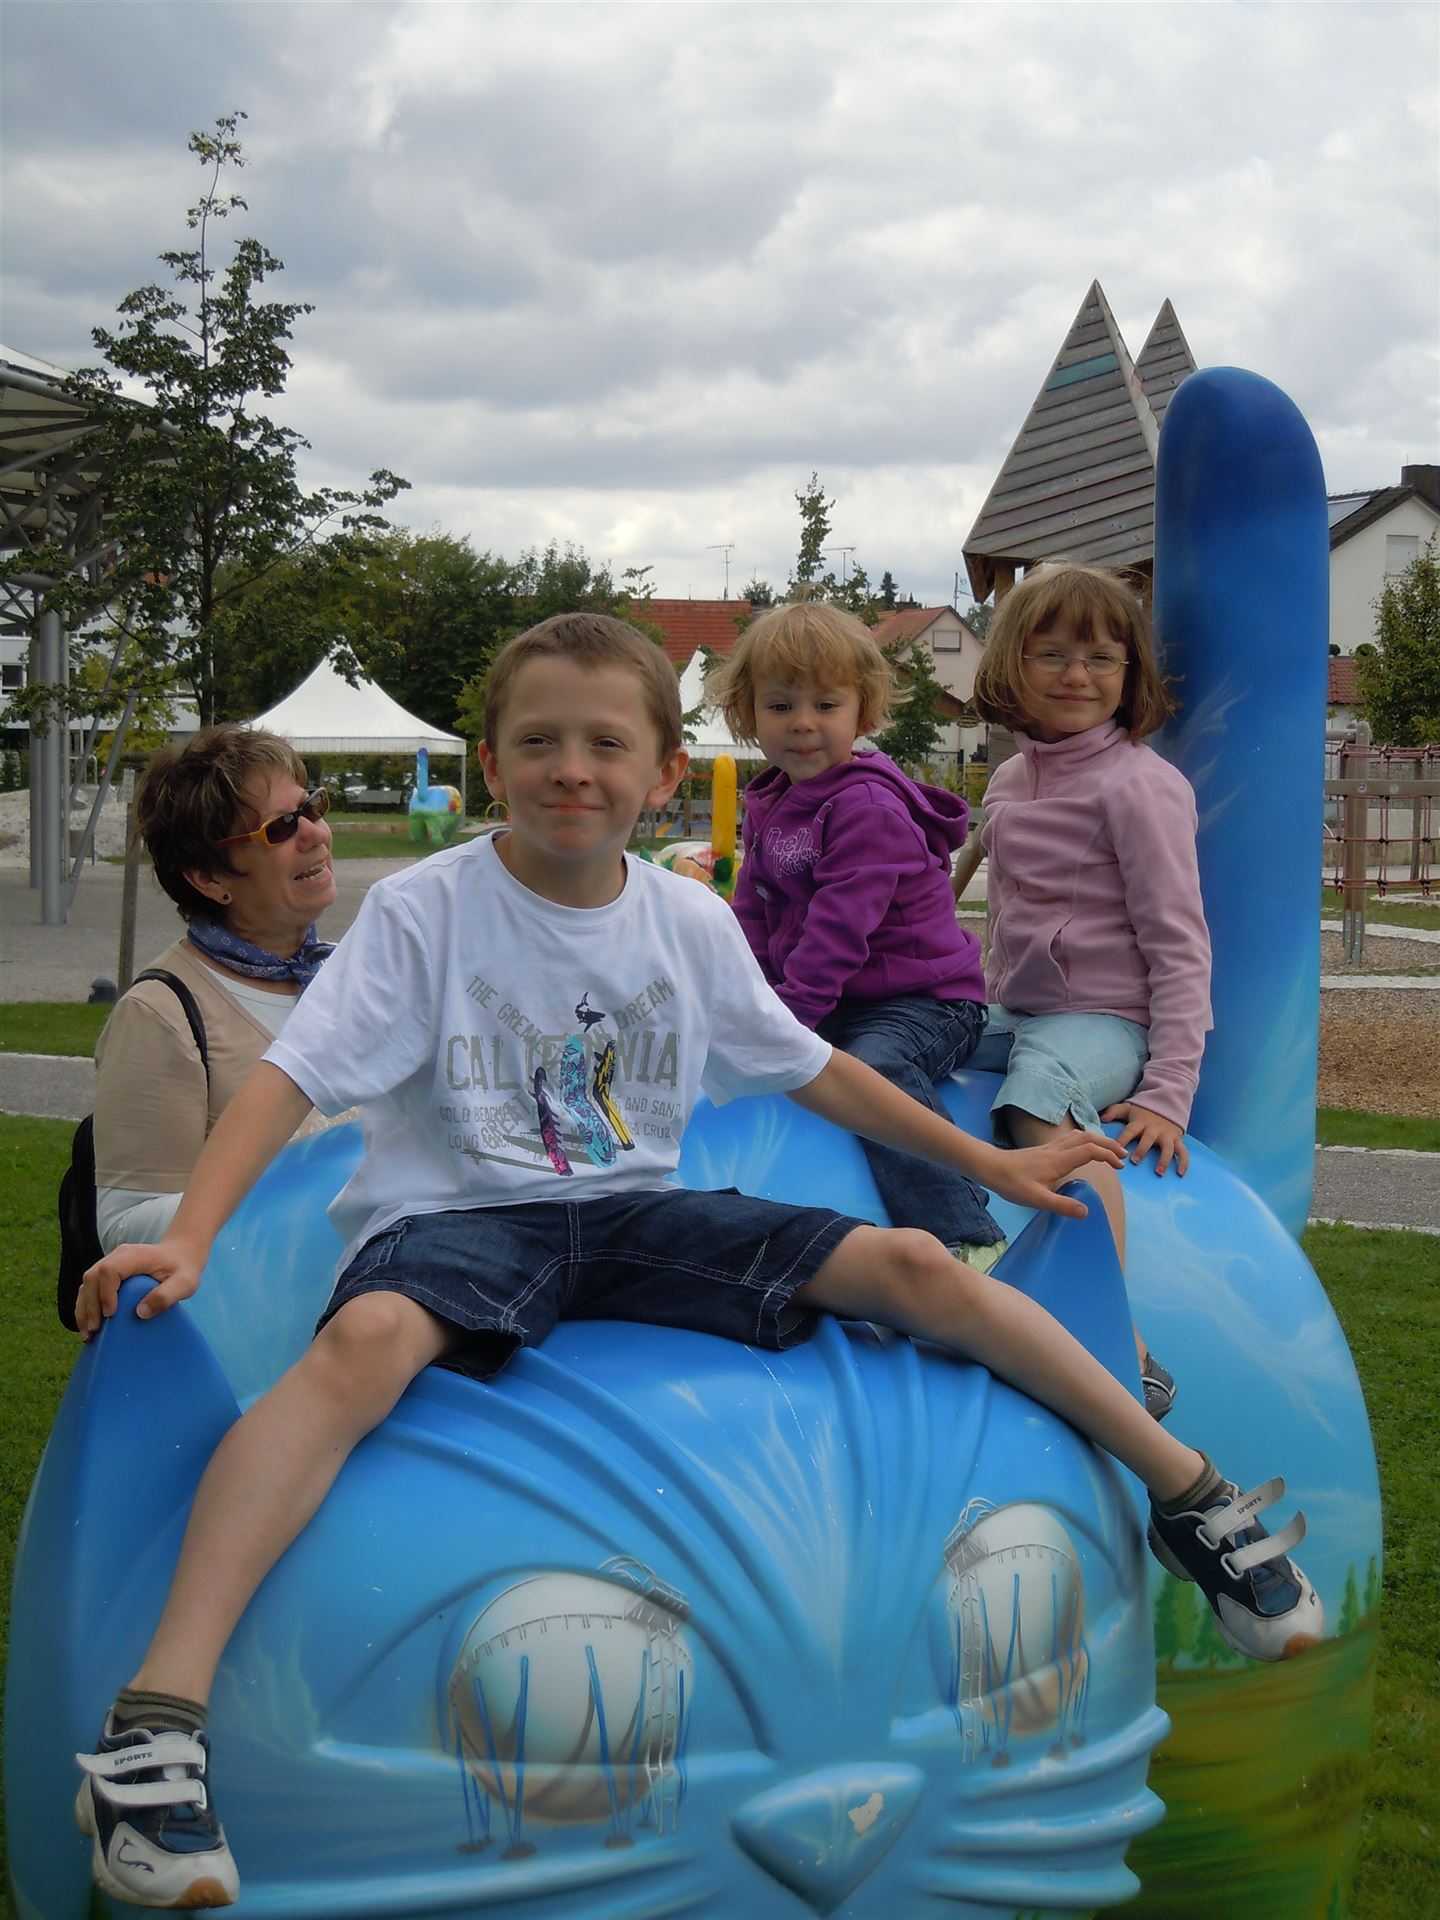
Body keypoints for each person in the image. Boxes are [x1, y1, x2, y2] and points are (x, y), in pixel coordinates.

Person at [74, 612, 1320, 1911]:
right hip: (460, 1219)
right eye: (538, 742)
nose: (572, 768)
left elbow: (814, 1068)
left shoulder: (685, 919)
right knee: (366, 1341)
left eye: (605, 743)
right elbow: (291, 1076)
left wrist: (989, 1168)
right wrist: (192, 1234)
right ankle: (155, 1726)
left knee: (916, 1266)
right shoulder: (424, 910)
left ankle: (1190, 1493)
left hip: (635, 1209)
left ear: (667, 771)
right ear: (491, 765)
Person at [956, 561, 1212, 1422]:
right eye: (1053, 654)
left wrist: (1168, 1090)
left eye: (1102, 659)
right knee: (913, 1036)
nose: (1078, 675)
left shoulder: (1140, 787)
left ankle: (1118, 1336)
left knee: (1039, 1091)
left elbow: (1180, 945)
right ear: (1011, 665)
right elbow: (990, 910)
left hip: (1107, 1022)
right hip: (1020, 1011)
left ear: (1130, 675)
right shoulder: (1009, 781)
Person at [707, 601, 1005, 1269]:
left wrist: (786, 1023)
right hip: (841, 1000)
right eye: (780, 705)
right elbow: (751, 911)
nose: (802, 722)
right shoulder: (773, 801)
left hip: (924, 1003)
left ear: (862, 714)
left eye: (825, 705)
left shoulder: (866, 807)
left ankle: (964, 1232)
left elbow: (839, 932)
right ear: (749, 714)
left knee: (873, 1070)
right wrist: (735, 1001)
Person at [91, 727, 338, 1256]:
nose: (315, 834)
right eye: (281, 828)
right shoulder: (160, 1015)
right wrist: (330, 1189)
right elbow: (125, 1225)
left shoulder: (350, 972)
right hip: (271, 1304)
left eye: (311, 807)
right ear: (208, 878)